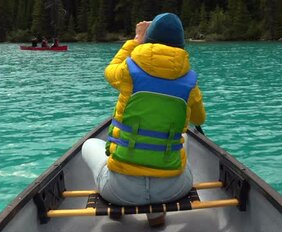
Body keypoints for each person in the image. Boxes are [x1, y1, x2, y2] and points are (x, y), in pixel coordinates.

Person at [81, 12, 206, 227]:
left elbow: (109, 71)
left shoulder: (129, 71)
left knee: (89, 145)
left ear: (148, 40)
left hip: (119, 190)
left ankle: (118, 208)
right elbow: (199, 118)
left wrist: (135, 40)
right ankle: (155, 215)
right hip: (173, 189)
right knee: (186, 140)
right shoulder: (190, 82)